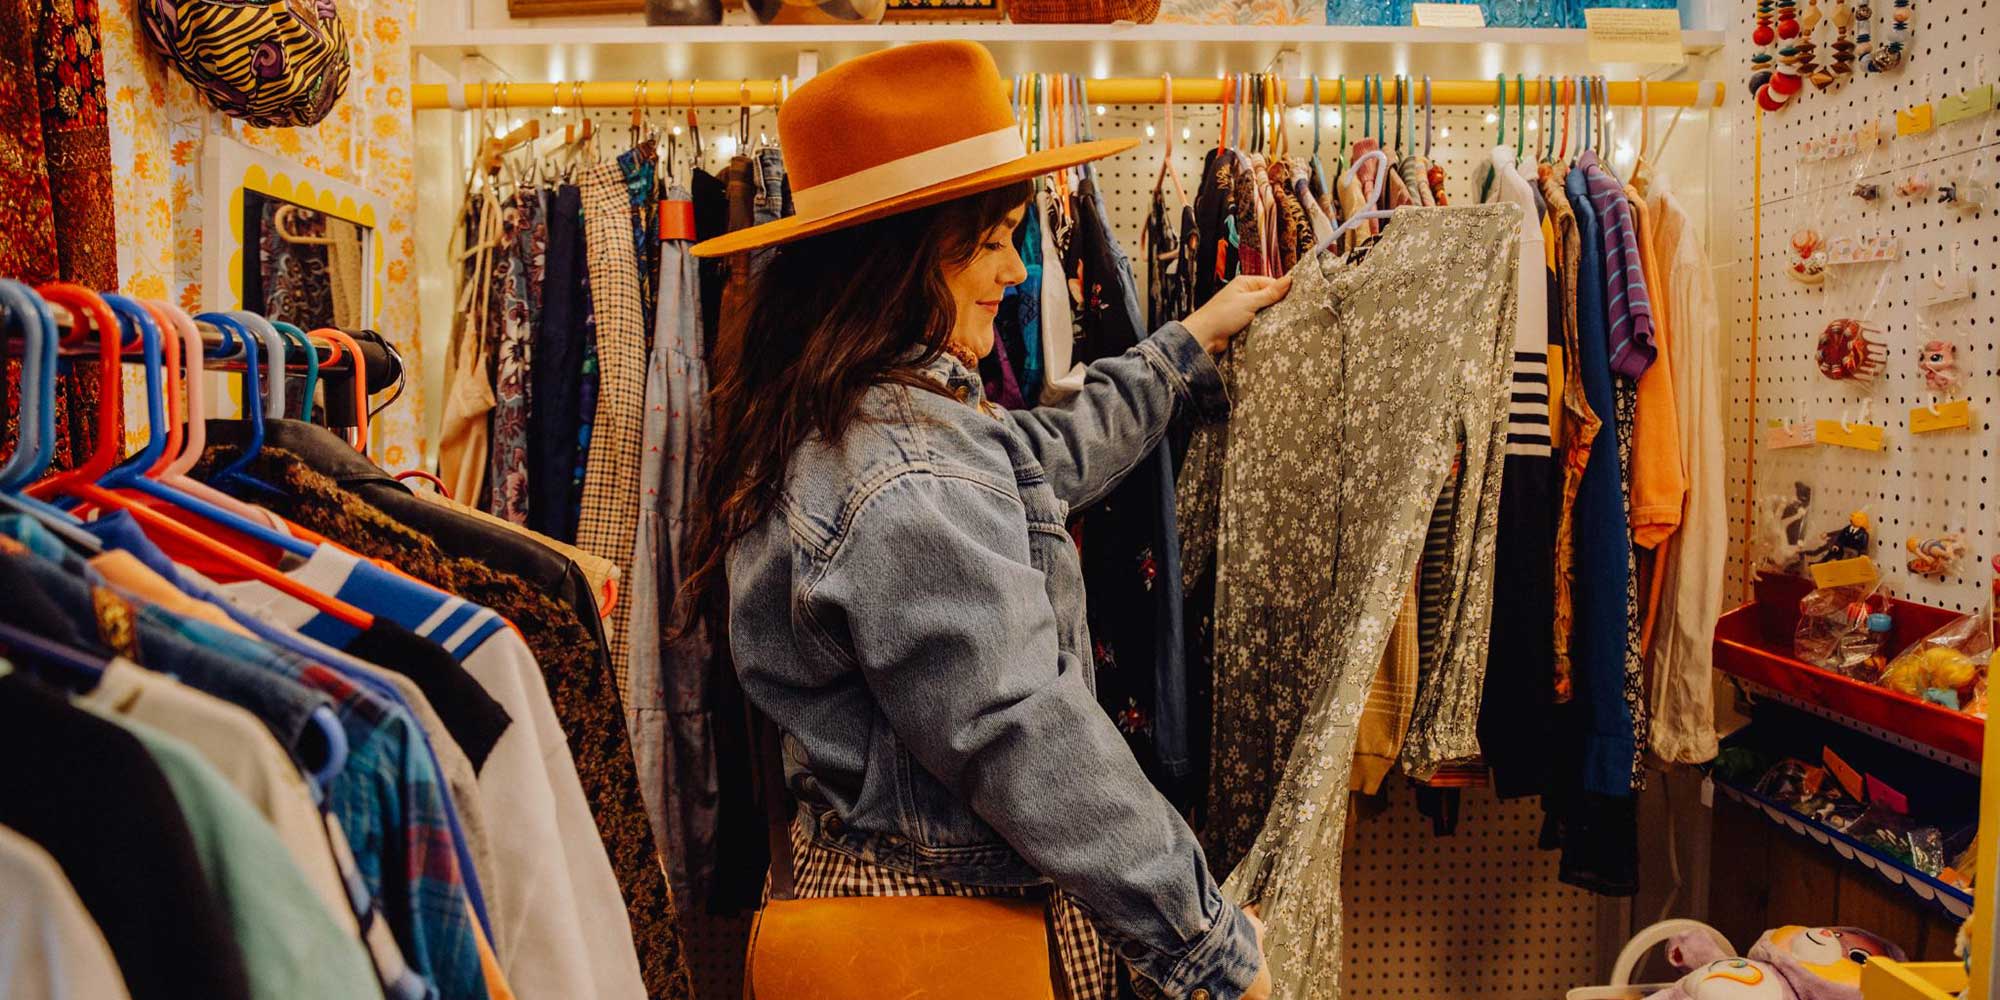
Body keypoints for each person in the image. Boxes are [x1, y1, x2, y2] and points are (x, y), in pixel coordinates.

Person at [682, 41, 1291, 1000]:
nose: (1015, 269)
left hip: (880, 892)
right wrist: (1210, 945)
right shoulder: (903, 467)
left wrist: (1185, 345)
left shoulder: (860, 410)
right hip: (941, 930)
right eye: (995, 236)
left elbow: (1036, 460)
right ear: (900, 257)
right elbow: (1018, 726)